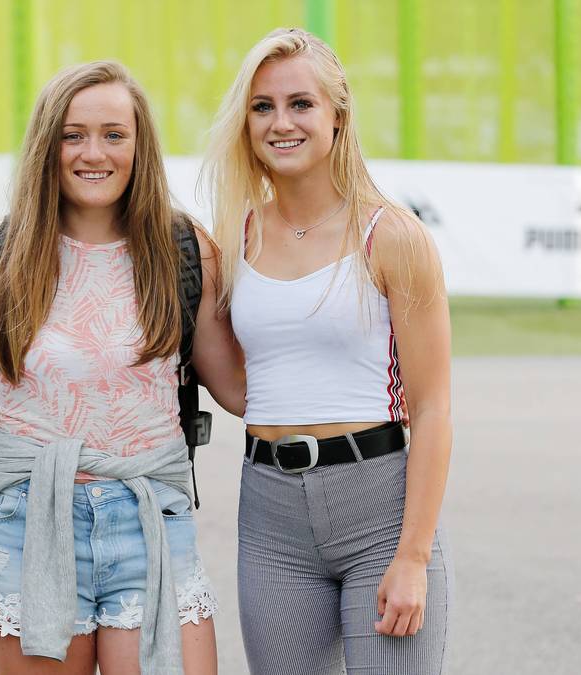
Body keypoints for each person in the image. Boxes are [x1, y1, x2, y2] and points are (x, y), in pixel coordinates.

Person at [0, 61, 243, 675]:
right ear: (46, 145)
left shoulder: (186, 249)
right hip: (29, 518)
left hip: (149, 515)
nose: (93, 153)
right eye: (72, 135)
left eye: (114, 134)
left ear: (140, 145)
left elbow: (237, 389)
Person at [202, 28, 454, 674]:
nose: (280, 122)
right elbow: (242, 387)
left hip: (379, 508)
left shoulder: (393, 236)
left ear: (338, 117)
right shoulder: (235, 237)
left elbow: (432, 407)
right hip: (270, 514)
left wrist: (413, 556)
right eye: (262, 107)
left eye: (300, 104)